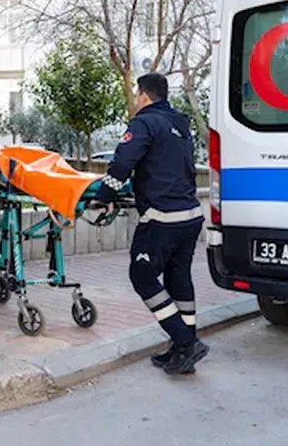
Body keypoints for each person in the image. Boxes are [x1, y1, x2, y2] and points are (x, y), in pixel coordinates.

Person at [93, 73, 208, 375]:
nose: (135, 99)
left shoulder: (144, 122)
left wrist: (104, 196)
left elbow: (122, 163)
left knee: (142, 276)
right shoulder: (180, 123)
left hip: (162, 217)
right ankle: (183, 351)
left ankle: (186, 342)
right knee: (178, 279)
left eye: (136, 94)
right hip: (190, 215)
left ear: (143, 95)